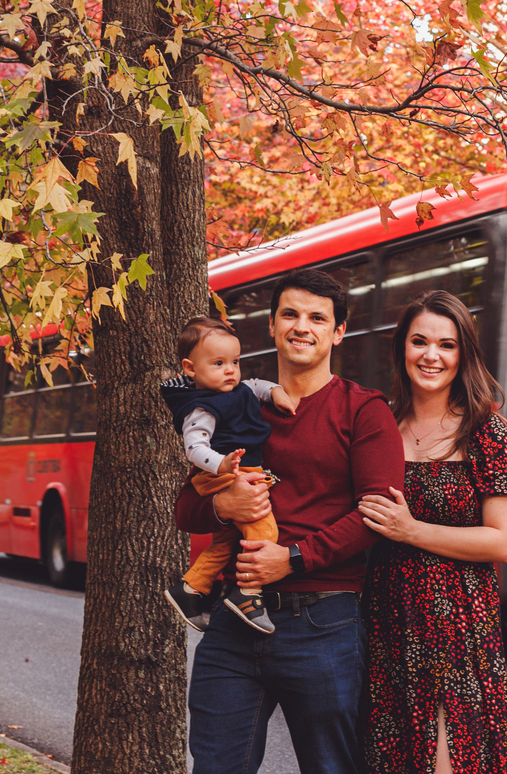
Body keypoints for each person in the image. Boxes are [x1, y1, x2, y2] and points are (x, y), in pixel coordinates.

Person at [175, 268, 405, 774]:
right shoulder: (233, 403)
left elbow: (376, 515)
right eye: (291, 315)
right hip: (234, 624)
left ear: (337, 332)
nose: (303, 326)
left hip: (324, 625)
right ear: (273, 327)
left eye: (317, 318)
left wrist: (293, 559)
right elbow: (183, 509)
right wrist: (222, 507)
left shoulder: (364, 411)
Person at [358, 290, 507, 774]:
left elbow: (502, 541)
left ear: (463, 355)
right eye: (419, 341)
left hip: (457, 625)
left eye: (447, 344)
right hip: (386, 620)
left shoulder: (486, 431)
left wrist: (411, 530)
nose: (431, 355)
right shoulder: (380, 426)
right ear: (402, 349)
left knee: (449, 758)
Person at [161, 316, 298, 634]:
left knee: (226, 540)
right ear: (191, 369)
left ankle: (190, 589)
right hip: (223, 474)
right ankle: (248, 593)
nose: (230, 370)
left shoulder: (237, 389)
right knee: (264, 529)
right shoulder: (201, 408)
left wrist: (275, 391)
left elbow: (256, 386)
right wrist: (221, 464)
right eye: (219, 363)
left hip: (239, 472)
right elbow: (194, 449)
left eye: (235, 361)